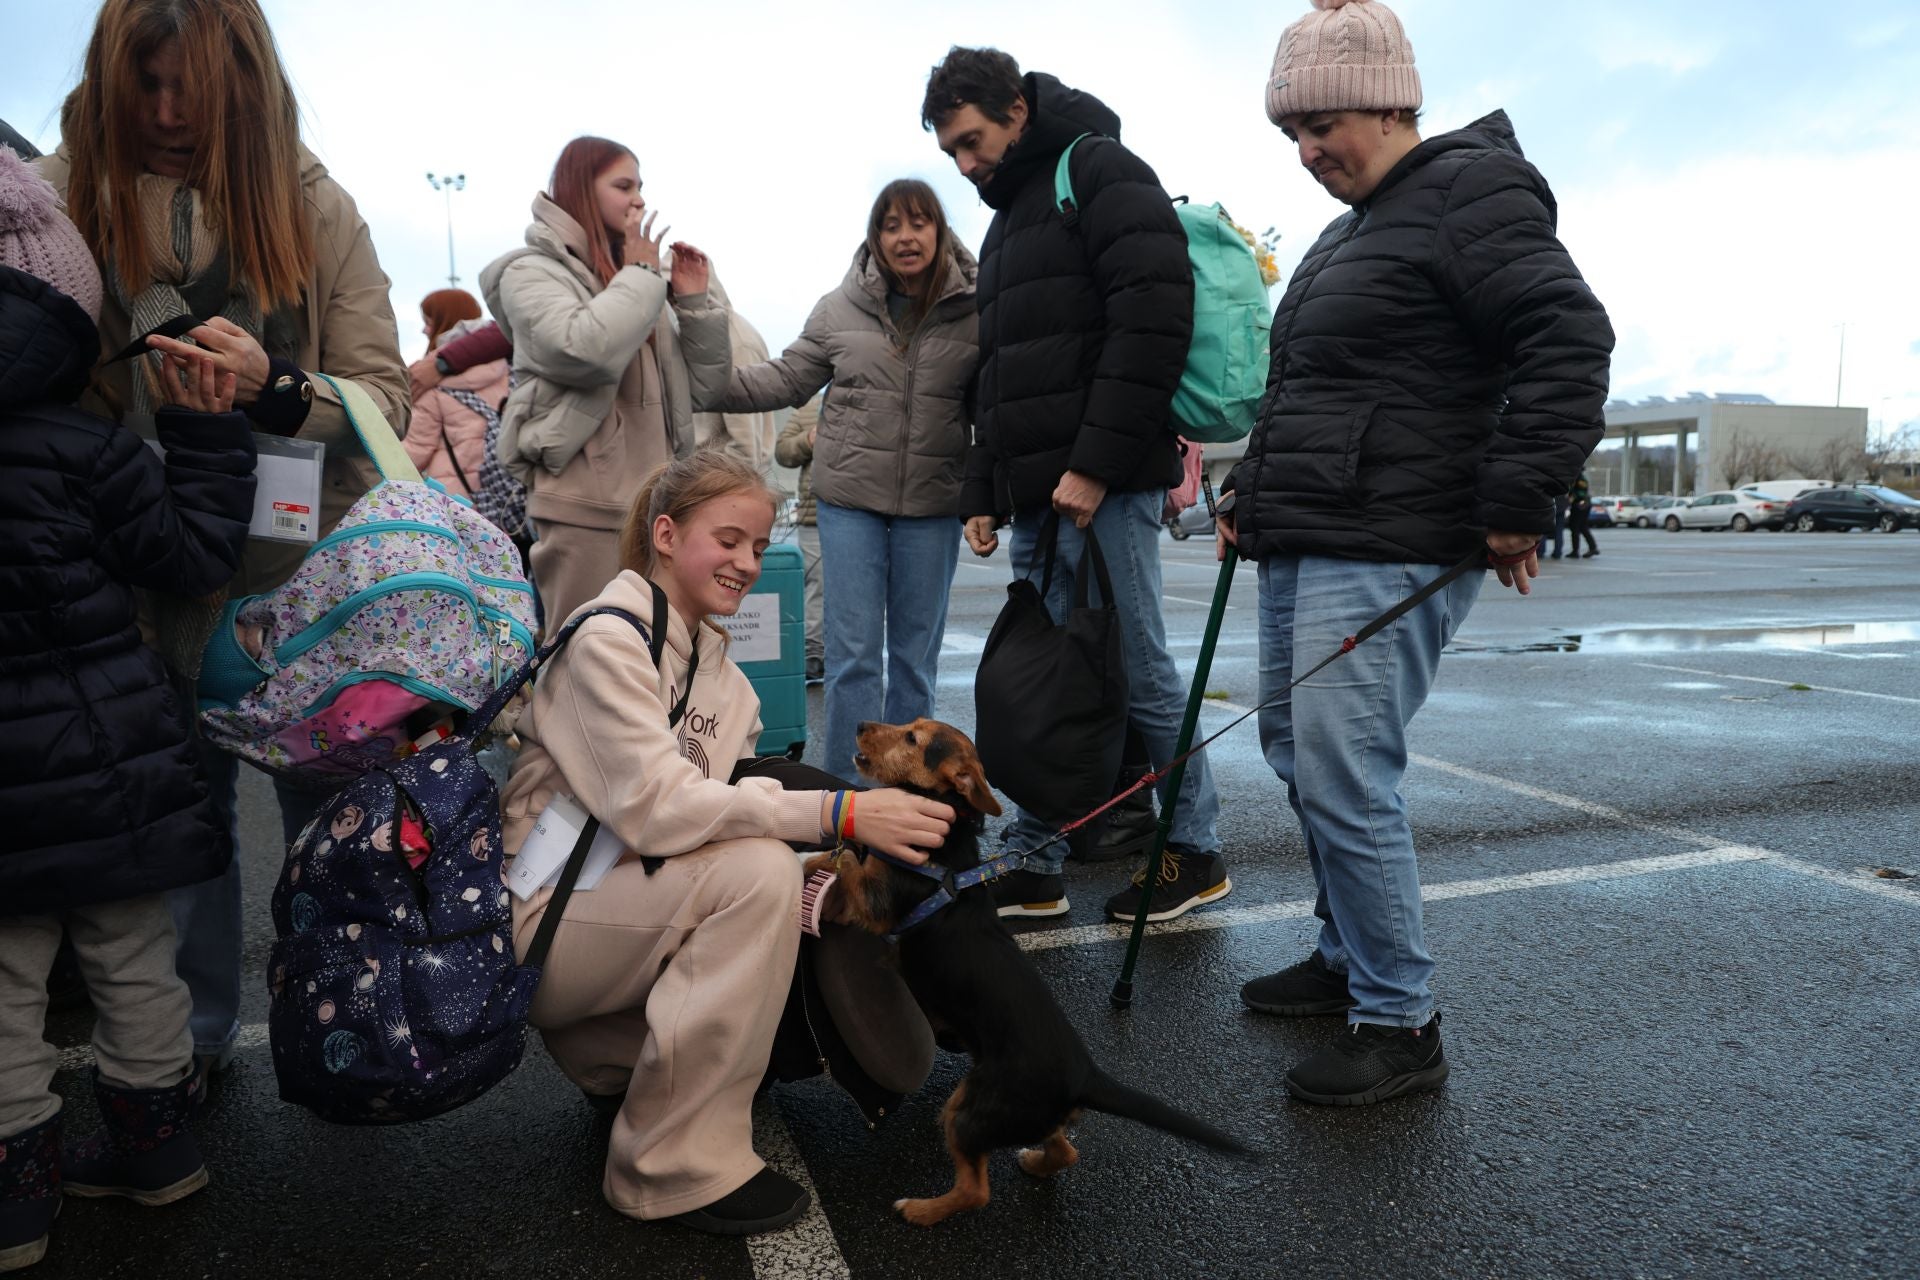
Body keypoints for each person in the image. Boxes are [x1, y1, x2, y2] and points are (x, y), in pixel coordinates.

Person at [1229, 0, 1613, 1104]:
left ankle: (1400, 1021)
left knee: (1349, 775)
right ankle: (1346, 954)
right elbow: (1308, 391)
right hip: (1311, 530)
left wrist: (1517, 498)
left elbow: (1568, 336)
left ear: (1395, 100)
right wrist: (1247, 496)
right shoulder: (1351, 227)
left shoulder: (1468, 192)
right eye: (1291, 136)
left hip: (1392, 539)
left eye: (1324, 126)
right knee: (1300, 759)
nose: (1307, 155)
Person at [34, 0, 409, 1091]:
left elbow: (384, 400)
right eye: (141, 88)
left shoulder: (315, 204)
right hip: (137, 580)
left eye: (184, 91)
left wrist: (277, 389)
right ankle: (192, 1047)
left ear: (239, 84)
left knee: (331, 829)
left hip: (305, 590)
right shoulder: (61, 199)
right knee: (179, 832)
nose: (162, 114)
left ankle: (354, 1031)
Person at [497, 451, 953, 1235]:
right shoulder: (605, 641)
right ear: (666, 535)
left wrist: (836, 861)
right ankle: (668, 1169)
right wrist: (839, 817)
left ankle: (615, 1063)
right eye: (728, 540)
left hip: (613, 905)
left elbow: (720, 806)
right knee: (755, 877)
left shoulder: (725, 679)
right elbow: (656, 810)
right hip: (542, 924)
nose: (746, 563)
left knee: (781, 871)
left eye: (757, 545)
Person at [0, 147, 257, 1270]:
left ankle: (16, 1200)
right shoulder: (89, 448)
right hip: (110, 759)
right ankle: (158, 1151)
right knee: (132, 954)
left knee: (4, 986)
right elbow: (196, 555)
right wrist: (203, 434)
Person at [922, 47, 1229, 922]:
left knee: (1136, 671)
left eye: (973, 141)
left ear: (1017, 109)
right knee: (1052, 683)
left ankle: (1192, 848)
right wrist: (983, 487)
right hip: (1045, 497)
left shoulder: (1097, 170)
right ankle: (1036, 858)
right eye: (952, 153)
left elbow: (1152, 321)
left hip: (1105, 486)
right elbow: (999, 373)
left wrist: (1093, 465)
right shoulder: (1009, 216)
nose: (966, 164)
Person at [680, 180, 978, 780]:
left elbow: (997, 405)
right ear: (875, 238)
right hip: (850, 504)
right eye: (890, 225)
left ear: (940, 231)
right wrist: (702, 346)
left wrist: (992, 496)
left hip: (933, 504)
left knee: (915, 662)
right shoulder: (838, 308)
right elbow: (782, 380)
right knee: (853, 660)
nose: (905, 237)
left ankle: (907, 797)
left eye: (918, 223)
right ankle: (847, 800)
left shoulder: (977, 309)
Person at [480, 135, 725, 628]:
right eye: (623, 185)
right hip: (582, 504)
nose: (638, 199)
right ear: (580, 190)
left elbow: (707, 389)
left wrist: (695, 303)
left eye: (641, 186)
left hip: (658, 504)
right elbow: (583, 351)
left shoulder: (641, 280)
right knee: (581, 655)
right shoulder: (530, 272)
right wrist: (639, 272)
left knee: (655, 659)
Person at [405, 302, 511, 504]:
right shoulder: (510, 371)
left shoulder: (431, 378)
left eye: (428, 321)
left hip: (458, 503)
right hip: (510, 497)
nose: (424, 329)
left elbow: (415, 450)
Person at [774, 392, 828, 683]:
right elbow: (782, 451)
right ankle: (813, 654)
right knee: (817, 584)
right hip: (813, 514)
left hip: (859, 511)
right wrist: (808, 439)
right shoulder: (809, 409)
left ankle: (836, 653)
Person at [1567, 472, 1599, 558]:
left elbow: (1581, 493)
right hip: (1582, 505)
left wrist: (1571, 497)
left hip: (1580, 505)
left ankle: (1576, 551)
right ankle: (1592, 547)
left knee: (1575, 527)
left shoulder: (1579, 479)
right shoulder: (1578, 477)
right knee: (1582, 527)